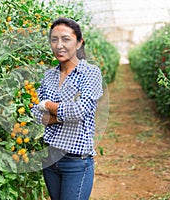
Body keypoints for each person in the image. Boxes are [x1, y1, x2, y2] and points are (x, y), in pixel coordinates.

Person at [31, 18, 103, 200]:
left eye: (66, 39)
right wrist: (62, 113)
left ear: (79, 43)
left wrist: (46, 105)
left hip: (76, 162)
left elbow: (79, 111)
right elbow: (33, 112)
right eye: (54, 40)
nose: (59, 45)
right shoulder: (48, 76)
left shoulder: (91, 73)